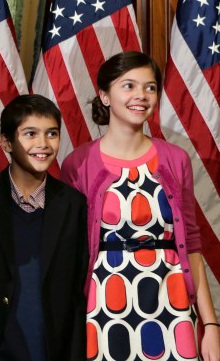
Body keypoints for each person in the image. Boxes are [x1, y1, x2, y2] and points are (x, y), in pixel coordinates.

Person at [60, 51, 220, 361]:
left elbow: (194, 245)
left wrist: (210, 324)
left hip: (169, 297)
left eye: (150, 87)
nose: (142, 96)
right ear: (105, 96)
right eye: (129, 86)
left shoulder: (175, 159)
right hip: (105, 303)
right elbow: (70, 251)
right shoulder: (78, 164)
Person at [0, 94, 87, 360]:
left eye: (52, 134)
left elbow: (77, 293)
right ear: (6, 142)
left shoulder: (73, 206)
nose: (43, 144)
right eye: (30, 134)